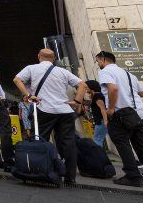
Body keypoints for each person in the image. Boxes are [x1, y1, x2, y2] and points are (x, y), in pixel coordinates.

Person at [13, 48, 87, 185]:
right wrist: (77, 101)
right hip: (64, 111)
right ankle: (70, 178)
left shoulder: (32, 68)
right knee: (68, 143)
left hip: (43, 109)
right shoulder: (63, 72)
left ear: (39, 57)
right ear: (53, 59)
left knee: (41, 140)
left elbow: (17, 80)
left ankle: (41, 171)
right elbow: (82, 85)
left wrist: (28, 96)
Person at [96, 51, 143, 188]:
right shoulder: (128, 74)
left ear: (103, 59)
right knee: (142, 145)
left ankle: (133, 176)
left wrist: (111, 109)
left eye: (98, 61)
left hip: (121, 113)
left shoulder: (105, 72)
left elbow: (113, 89)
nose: (98, 64)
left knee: (122, 143)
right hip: (139, 114)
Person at [85, 80, 108, 148]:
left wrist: (106, 121)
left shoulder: (97, 95)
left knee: (97, 140)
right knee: (98, 139)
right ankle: (99, 155)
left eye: (87, 87)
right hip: (100, 121)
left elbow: (103, 109)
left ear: (91, 87)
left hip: (101, 121)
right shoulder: (95, 95)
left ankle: (98, 156)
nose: (86, 89)